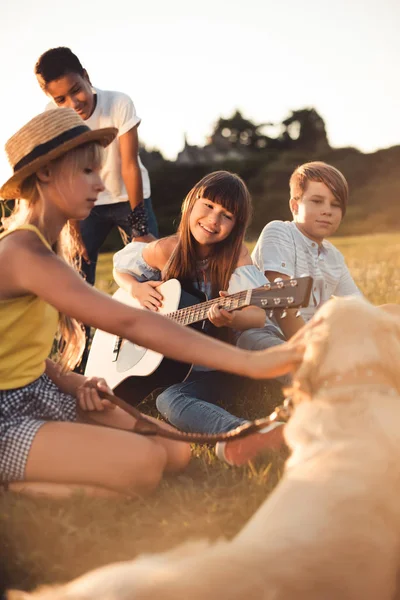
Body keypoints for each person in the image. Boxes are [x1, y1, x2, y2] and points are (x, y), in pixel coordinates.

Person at [0, 110, 304, 496]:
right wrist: (249, 362)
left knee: (176, 454)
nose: (102, 183)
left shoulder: (50, 248)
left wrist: (70, 380)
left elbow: (15, 348)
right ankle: (9, 487)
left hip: (41, 389)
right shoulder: (25, 252)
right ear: (45, 174)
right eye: (89, 172)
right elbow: (133, 324)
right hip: (5, 413)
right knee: (144, 467)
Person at [113, 171, 289, 467]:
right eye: (208, 205)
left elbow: (257, 315)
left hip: (230, 359)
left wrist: (232, 320)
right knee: (167, 400)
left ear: (236, 226)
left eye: (227, 215)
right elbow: (121, 266)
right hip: (189, 369)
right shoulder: (164, 250)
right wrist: (136, 288)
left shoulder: (237, 257)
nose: (213, 219)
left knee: (255, 339)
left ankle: (328, 390)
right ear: (191, 203)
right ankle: (240, 435)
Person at [34, 46, 158, 287]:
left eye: (76, 90)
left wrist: (140, 228)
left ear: (85, 76)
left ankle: (163, 319)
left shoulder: (119, 102)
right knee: (76, 273)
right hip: (84, 205)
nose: (73, 103)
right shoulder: (52, 117)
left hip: (129, 198)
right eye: (61, 99)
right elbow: (65, 178)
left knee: (152, 267)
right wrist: (74, 232)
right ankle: (80, 327)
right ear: (50, 98)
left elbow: (130, 165)